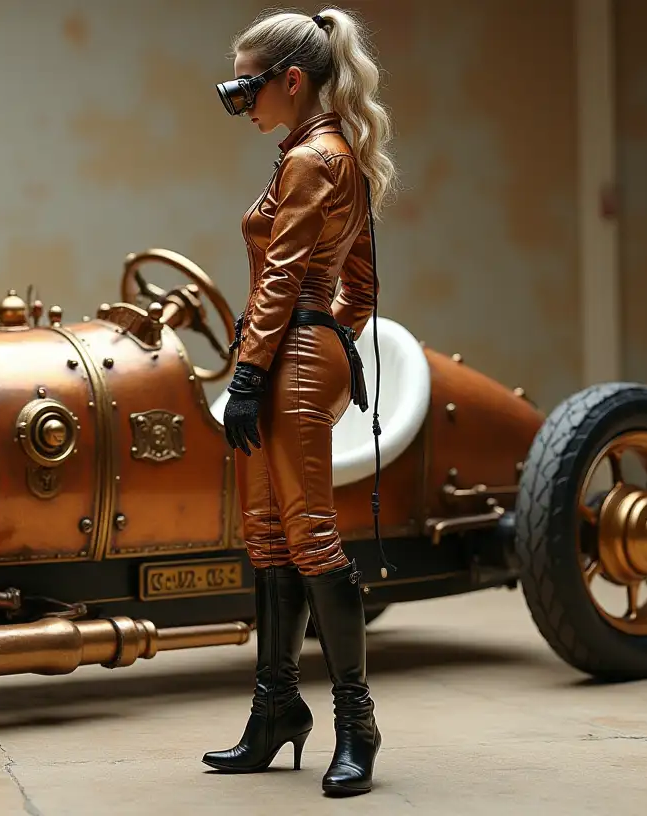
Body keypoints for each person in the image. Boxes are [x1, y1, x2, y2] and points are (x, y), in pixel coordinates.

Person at [200, 7, 396, 798]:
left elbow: (282, 276)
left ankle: (357, 723)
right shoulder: (329, 154)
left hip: (286, 358)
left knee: (309, 536)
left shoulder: (314, 159)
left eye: (250, 87)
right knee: (269, 536)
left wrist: (271, 365)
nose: (245, 104)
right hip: (289, 353)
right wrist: (328, 340)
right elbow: (365, 288)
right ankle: (277, 707)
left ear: (291, 80)